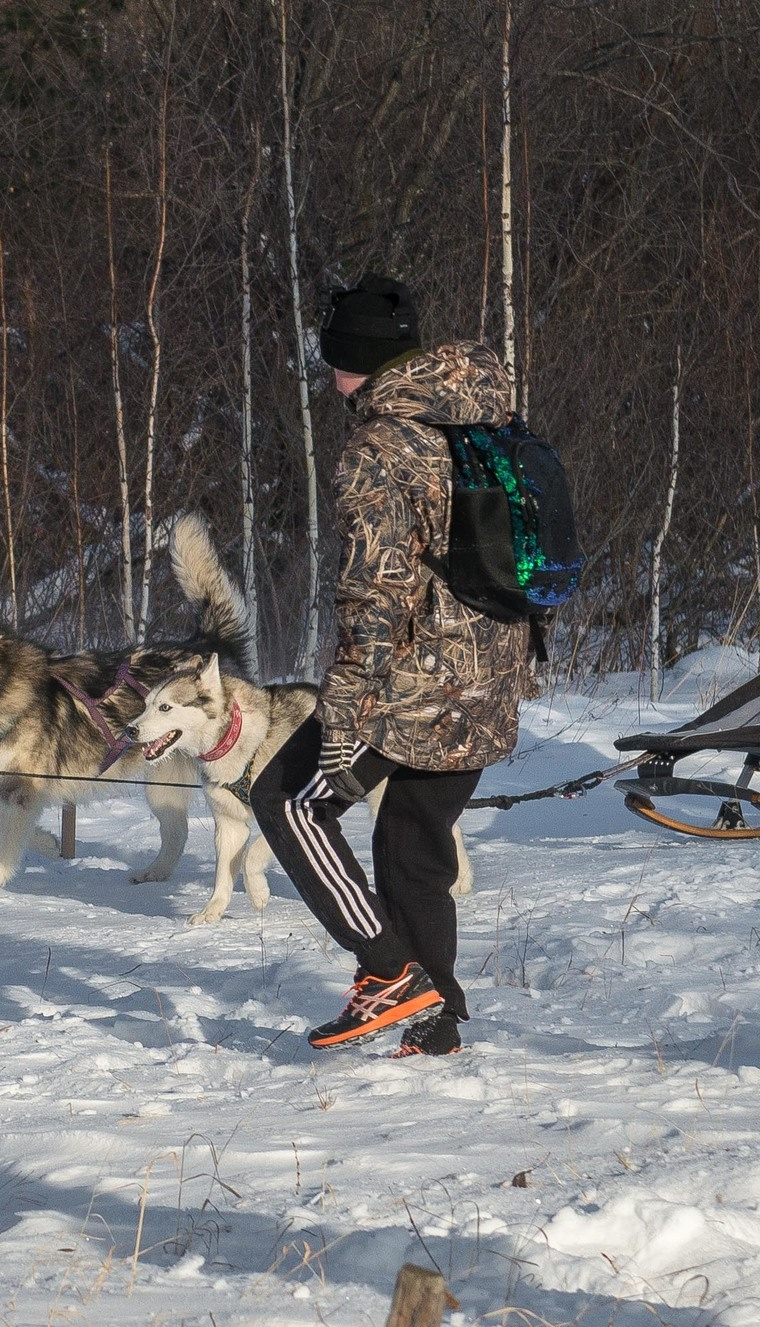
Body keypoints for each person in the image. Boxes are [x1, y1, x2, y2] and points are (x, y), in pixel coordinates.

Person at [251, 276, 534, 1057]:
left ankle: (387, 970)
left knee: (286, 800)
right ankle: (435, 1023)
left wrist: (343, 715)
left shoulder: (379, 446)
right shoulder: (485, 415)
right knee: (414, 846)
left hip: (414, 683)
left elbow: (374, 594)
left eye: (336, 362)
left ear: (360, 361)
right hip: (492, 670)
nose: (330, 378)